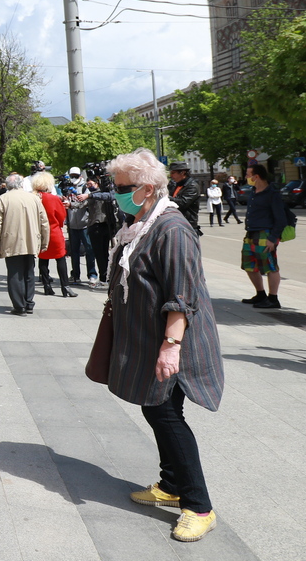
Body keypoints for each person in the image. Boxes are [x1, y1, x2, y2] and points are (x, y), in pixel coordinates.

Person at [106, 148, 224, 543]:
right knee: (156, 409)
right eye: (115, 186)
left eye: (124, 187)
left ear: (150, 188)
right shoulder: (141, 224)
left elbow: (182, 294)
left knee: (166, 416)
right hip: (150, 339)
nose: (118, 193)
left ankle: (199, 505)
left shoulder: (171, 229)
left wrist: (171, 345)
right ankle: (171, 485)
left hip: (174, 342)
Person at [0, 173, 49, 315]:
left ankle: (19, 306)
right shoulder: (34, 199)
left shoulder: (3, 199)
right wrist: (44, 242)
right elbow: (44, 223)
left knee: (15, 274)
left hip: (11, 242)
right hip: (31, 241)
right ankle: (29, 303)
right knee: (29, 273)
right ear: (21, 184)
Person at [239, 163, 287, 309]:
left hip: (265, 234)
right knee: (249, 265)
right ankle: (260, 294)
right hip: (251, 233)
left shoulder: (272, 193)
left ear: (256, 176)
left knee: (270, 266)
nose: (246, 177)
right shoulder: (254, 191)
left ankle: (273, 298)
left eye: (248, 175)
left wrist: (273, 238)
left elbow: (281, 219)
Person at [31, 171, 76, 298]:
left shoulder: (34, 198)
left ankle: (47, 286)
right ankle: (65, 286)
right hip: (54, 231)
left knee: (43, 259)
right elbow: (61, 217)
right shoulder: (54, 198)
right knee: (60, 259)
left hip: (39, 232)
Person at [66, 167, 98, 285]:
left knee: (89, 250)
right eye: (71, 175)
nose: (73, 177)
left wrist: (72, 204)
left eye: (76, 175)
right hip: (72, 224)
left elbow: (85, 202)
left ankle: (92, 274)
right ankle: (75, 274)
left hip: (84, 224)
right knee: (73, 251)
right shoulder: (67, 187)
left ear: (80, 175)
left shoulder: (85, 188)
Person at [168, 162, 201, 235]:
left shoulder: (192, 186)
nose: (171, 176)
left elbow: (182, 203)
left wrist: (165, 197)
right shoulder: (175, 184)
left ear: (182, 173)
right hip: (175, 222)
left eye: (173, 173)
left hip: (187, 225)